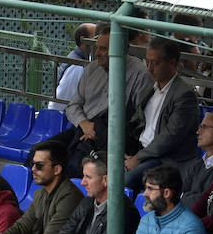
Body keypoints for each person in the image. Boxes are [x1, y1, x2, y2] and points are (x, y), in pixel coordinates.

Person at [56, 24, 151, 176]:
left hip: (112, 136)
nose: (97, 53)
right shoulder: (91, 69)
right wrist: (84, 123)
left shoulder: (140, 74)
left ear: (120, 50)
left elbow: (137, 118)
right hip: (82, 129)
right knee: (43, 153)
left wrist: (98, 130)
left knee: (75, 165)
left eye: (103, 49)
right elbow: (73, 106)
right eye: (97, 47)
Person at [124, 37, 199, 191]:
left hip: (166, 158)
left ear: (172, 63)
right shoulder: (149, 88)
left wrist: (137, 158)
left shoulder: (185, 95)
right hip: (141, 150)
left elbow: (170, 137)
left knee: (123, 181)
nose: (149, 68)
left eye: (155, 63)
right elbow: (136, 122)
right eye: (147, 62)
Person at [50, 23, 96, 111]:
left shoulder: (82, 60)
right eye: (94, 37)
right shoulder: (77, 66)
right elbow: (59, 102)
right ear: (83, 39)